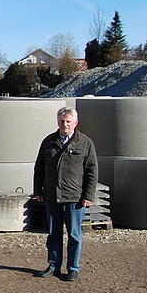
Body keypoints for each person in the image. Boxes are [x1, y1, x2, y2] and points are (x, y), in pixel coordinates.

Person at [32, 107, 98, 281]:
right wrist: (38, 191)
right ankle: (53, 265)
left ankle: (73, 268)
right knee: (53, 233)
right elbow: (39, 168)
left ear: (75, 123)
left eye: (68, 121)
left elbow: (92, 171)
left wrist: (88, 196)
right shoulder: (48, 141)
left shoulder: (85, 143)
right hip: (52, 196)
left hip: (74, 198)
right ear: (57, 122)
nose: (65, 124)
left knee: (74, 235)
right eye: (62, 121)